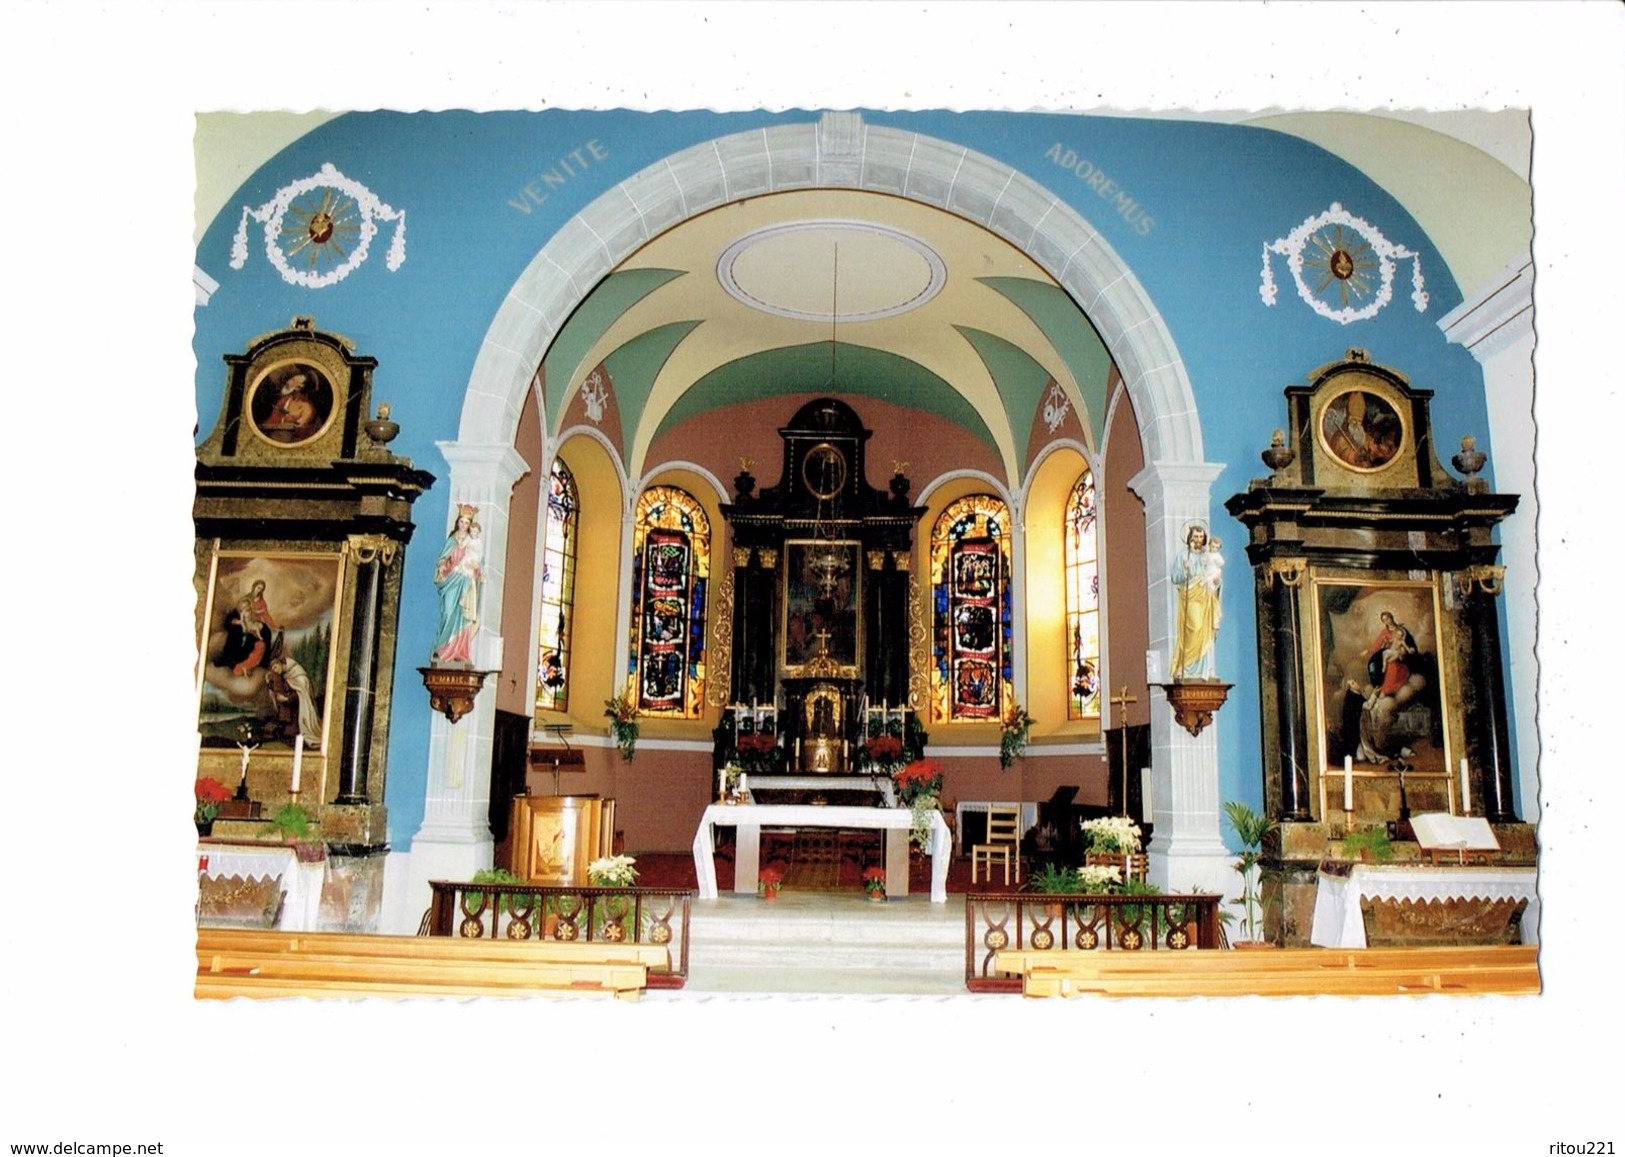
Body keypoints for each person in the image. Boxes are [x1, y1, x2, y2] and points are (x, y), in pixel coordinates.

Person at [1169, 523, 1223, 679]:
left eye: (1201, 537)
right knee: (1195, 627)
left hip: (1206, 595)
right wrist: (1185, 570)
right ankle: (1185, 666)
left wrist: (1217, 581)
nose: (1198, 540)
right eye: (1195, 537)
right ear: (1190, 538)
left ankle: (1205, 670)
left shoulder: (1208, 555)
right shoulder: (1183, 555)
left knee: (1206, 631)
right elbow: (1175, 577)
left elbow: (1215, 575)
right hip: (1190, 595)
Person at [431, 505, 483, 663]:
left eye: (467, 523)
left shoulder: (472, 543)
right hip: (451, 580)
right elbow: (443, 558)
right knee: (448, 612)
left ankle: (459, 651)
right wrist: (442, 566)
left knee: (463, 614)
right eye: (462, 521)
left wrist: (476, 570)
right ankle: (443, 648)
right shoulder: (452, 540)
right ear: (457, 522)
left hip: (466, 581)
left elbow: (478, 564)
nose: (464, 525)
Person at [268, 654, 322, 746]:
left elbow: (301, 693)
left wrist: (286, 698)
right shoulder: (284, 675)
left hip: (299, 707)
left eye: (275, 667)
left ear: (279, 664)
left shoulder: (297, 674)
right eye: (273, 670)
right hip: (291, 707)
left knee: (294, 728)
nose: (275, 671)